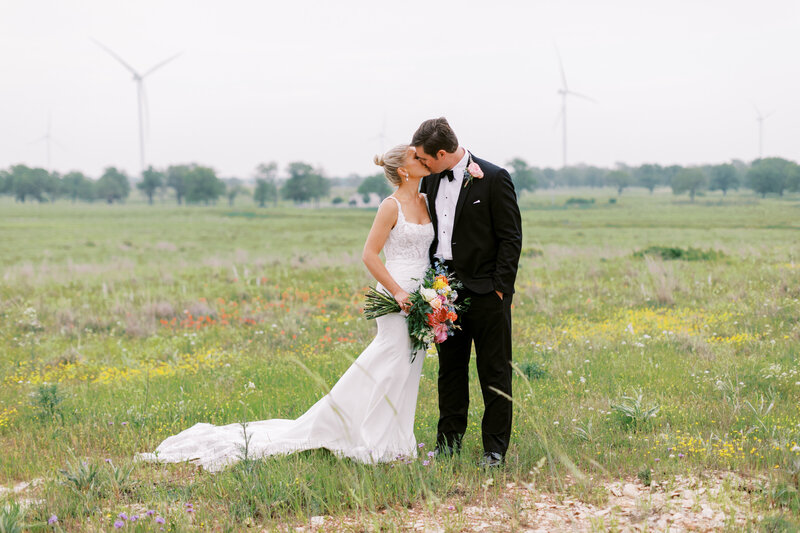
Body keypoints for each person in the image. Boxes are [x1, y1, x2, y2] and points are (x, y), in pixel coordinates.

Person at [137, 145, 433, 471]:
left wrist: (436, 294)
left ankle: (396, 439)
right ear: (403, 170)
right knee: (391, 363)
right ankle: (375, 442)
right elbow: (369, 255)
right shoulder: (390, 207)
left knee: (409, 366)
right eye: (416, 158)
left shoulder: (425, 201)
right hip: (396, 295)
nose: (423, 160)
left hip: (426, 295)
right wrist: (398, 292)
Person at [414, 117, 522, 468]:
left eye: (425, 159)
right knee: (450, 372)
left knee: (494, 372)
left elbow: (511, 237)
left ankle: (494, 450)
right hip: (443, 292)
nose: (421, 165)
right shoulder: (428, 180)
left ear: (441, 153)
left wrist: (500, 290)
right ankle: (448, 444)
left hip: (487, 294)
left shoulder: (493, 177)